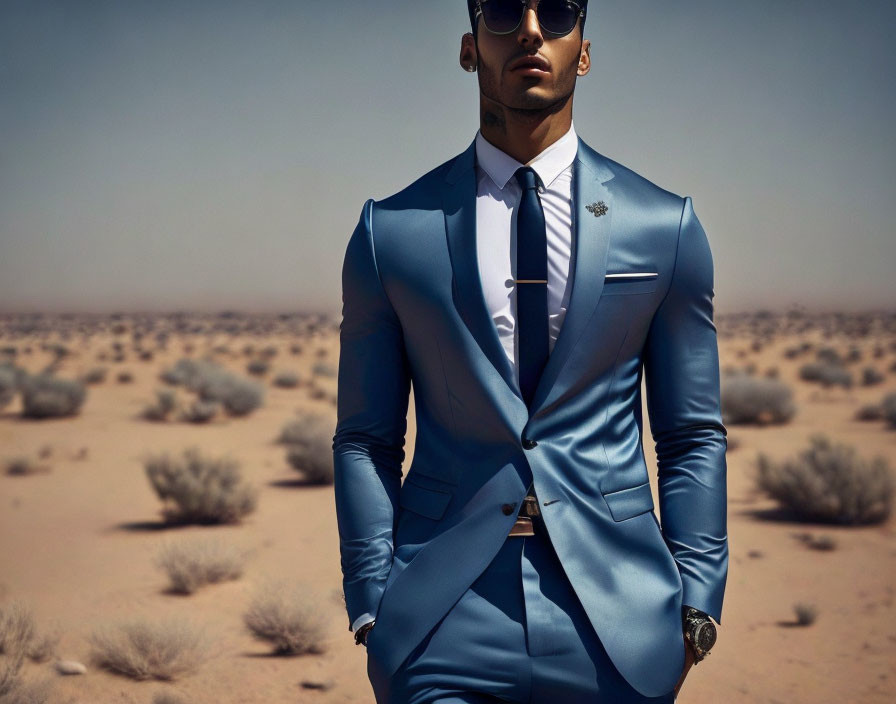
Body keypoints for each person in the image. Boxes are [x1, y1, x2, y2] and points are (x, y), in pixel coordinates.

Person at [332, 1, 728, 702]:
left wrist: (696, 605)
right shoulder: (390, 232)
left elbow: (691, 434)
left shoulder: (664, 225)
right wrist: (371, 603)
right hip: (440, 620)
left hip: (620, 621)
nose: (532, 29)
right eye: (505, 10)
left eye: (560, 10)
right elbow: (365, 438)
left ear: (584, 50)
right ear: (469, 46)